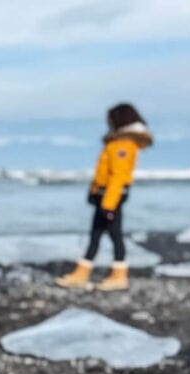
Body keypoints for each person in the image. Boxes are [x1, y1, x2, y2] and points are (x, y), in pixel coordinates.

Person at [56, 103, 153, 291]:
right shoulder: (117, 143)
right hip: (106, 195)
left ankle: (117, 275)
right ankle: (83, 272)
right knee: (97, 234)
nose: (107, 123)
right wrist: (93, 193)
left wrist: (108, 204)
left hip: (112, 196)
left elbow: (117, 176)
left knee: (113, 235)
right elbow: (105, 174)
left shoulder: (123, 145)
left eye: (110, 119)